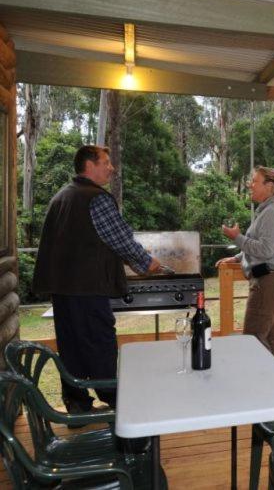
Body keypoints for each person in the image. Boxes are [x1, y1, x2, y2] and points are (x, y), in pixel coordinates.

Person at [33, 145, 161, 414]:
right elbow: (120, 239)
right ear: (89, 166)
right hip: (88, 289)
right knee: (101, 343)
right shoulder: (96, 198)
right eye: (106, 162)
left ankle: (77, 405)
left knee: (71, 348)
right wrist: (146, 262)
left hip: (63, 291)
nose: (111, 168)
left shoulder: (62, 196)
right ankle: (116, 403)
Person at [216, 166, 274, 363]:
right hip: (273, 279)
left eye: (255, 181)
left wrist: (237, 237)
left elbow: (266, 250)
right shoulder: (271, 209)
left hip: (269, 280)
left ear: (269, 186)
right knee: (273, 337)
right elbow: (263, 246)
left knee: (253, 337)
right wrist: (238, 257)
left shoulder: (273, 212)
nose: (250, 184)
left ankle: (268, 387)